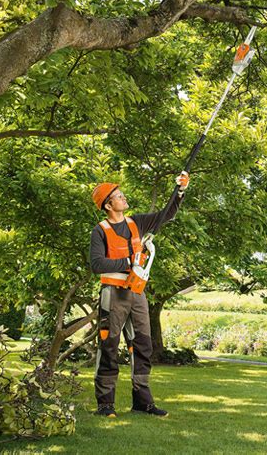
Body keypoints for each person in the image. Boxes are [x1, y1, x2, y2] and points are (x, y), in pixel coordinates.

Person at [90, 172, 189, 418]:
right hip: (113, 294)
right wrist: (127, 261)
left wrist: (179, 192)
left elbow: (167, 214)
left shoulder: (136, 223)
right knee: (109, 346)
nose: (123, 198)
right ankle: (105, 404)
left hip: (137, 294)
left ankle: (142, 402)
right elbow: (97, 265)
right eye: (118, 196)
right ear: (108, 205)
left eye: (122, 194)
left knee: (143, 346)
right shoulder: (100, 230)